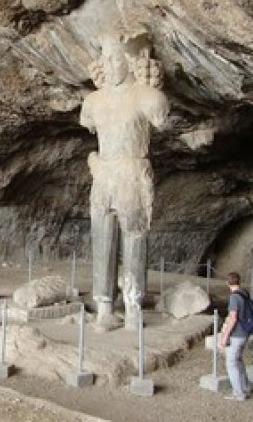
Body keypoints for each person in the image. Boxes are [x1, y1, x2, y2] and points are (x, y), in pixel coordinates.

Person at [79, 36, 169, 331]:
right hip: (104, 172)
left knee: (134, 238)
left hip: (132, 169)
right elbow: (89, 126)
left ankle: (133, 304)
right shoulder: (92, 101)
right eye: (106, 59)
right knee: (102, 239)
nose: (111, 65)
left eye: (117, 58)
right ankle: (104, 305)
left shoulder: (148, 97)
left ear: (129, 61)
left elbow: (161, 119)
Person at [220, 271, 251, 401]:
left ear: (228, 283)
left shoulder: (234, 297)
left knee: (231, 363)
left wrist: (224, 336)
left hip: (236, 335)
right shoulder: (245, 294)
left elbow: (233, 318)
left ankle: (239, 393)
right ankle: (245, 387)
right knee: (238, 361)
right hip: (245, 333)